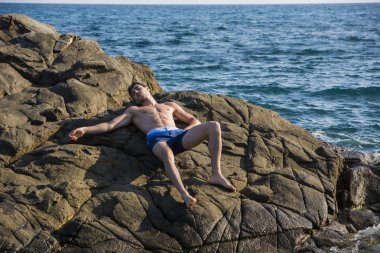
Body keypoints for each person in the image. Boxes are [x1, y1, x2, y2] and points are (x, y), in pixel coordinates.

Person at [69, 82, 236, 208]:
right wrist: (85, 129)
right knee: (166, 152)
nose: (135, 92)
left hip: (178, 135)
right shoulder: (134, 111)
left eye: (137, 89)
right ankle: (184, 194)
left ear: (148, 88)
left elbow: (193, 120)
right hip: (158, 139)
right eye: (132, 93)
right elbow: (110, 125)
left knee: (214, 125)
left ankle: (216, 175)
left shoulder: (170, 105)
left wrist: (186, 132)